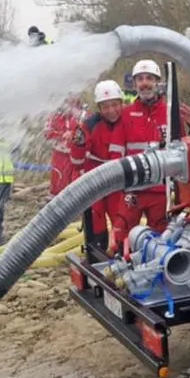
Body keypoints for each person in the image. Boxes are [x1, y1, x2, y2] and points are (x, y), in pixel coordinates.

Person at [117, 59, 172, 240]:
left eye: (149, 78)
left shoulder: (170, 112)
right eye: (140, 79)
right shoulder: (125, 114)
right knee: (122, 237)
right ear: (134, 84)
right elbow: (116, 153)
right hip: (133, 190)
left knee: (163, 239)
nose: (145, 83)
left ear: (158, 82)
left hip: (160, 191)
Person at [70, 80, 127, 253]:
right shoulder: (89, 125)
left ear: (121, 103)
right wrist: (78, 144)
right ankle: (96, 256)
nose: (111, 111)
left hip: (117, 179)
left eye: (115, 105)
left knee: (122, 219)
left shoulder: (128, 120)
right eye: (105, 106)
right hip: (94, 180)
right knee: (95, 221)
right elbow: (76, 161)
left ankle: (121, 254)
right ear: (99, 107)